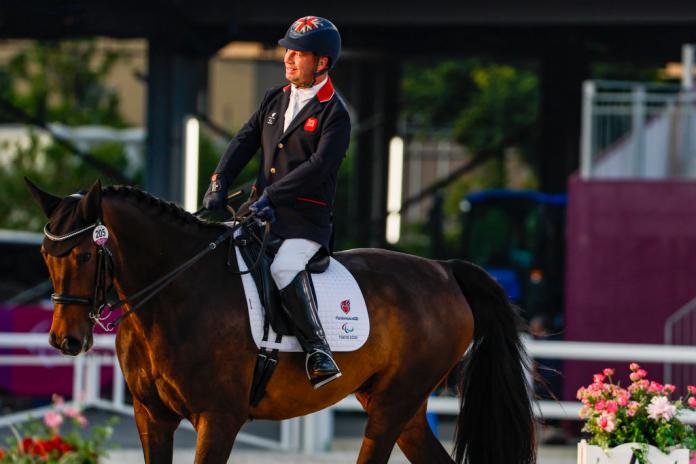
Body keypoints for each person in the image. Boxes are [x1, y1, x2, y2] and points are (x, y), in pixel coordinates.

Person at [202, 16, 350, 389]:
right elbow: (243, 141)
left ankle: (319, 351)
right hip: (259, 214)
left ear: (321, 62)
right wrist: (219, 182)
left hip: (304, 223)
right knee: (217, 255)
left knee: (283, 269)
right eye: (288, 50)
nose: (288, 58)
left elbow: (318, 169)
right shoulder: (275, 97)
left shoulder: (335, 114)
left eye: (298, 54)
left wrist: (271, 196)